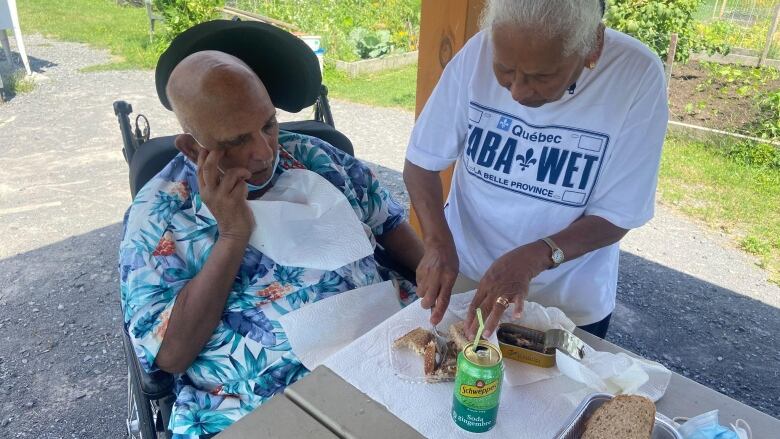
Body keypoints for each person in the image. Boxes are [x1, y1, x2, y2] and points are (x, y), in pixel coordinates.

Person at [118, 50, 422, 438]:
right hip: (263, 400)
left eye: (269, 124)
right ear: (192, 148)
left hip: (387, 348)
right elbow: (172, 355)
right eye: (236, 141)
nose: (264, 152)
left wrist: (434, 272)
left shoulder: (316, 157)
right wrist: (232, 235)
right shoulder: (160, 216)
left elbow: (390, 223)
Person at [404, 0, 668, 339]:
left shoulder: (635, 74)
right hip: (469, 278)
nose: (517, 91)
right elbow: (422, 162)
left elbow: (618, 214)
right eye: (504, 69)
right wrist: (438, 242)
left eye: (541, 76)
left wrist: (533, 257)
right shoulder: (477, 52)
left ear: (593, 47)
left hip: (567, 303)